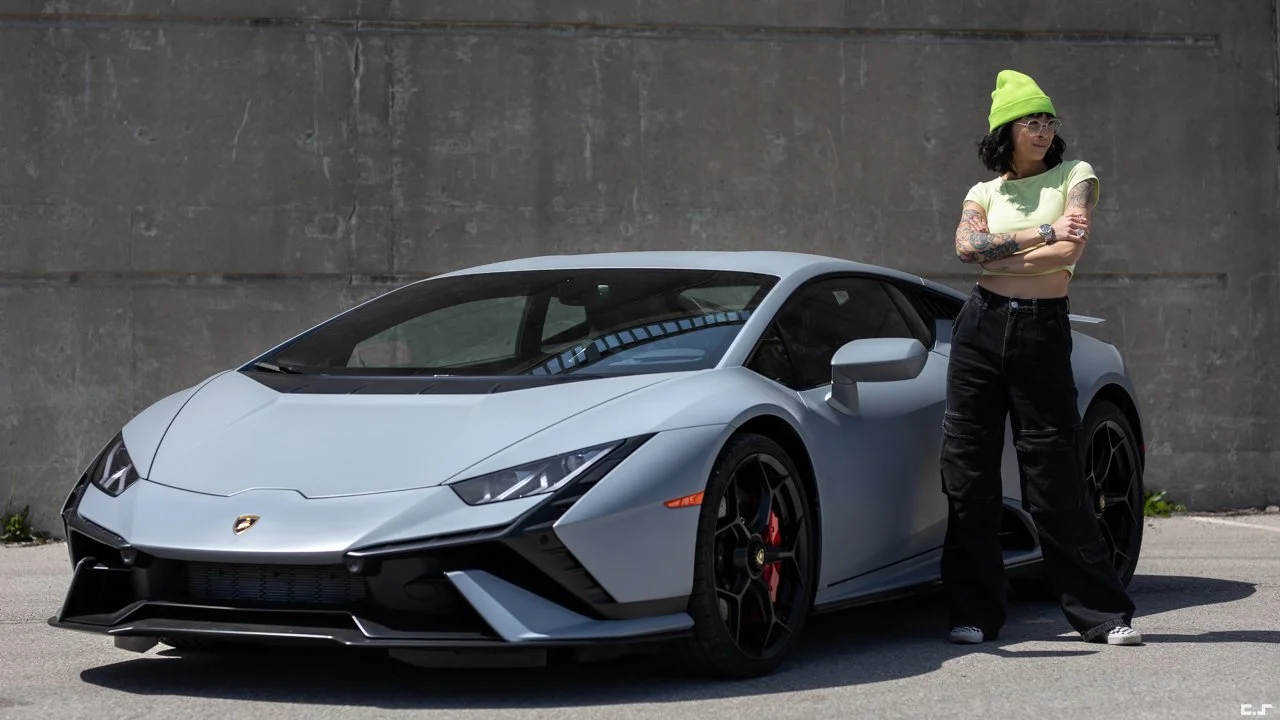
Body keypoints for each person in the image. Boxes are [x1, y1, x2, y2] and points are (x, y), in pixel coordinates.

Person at [939, 69, 1141, 646]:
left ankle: (1101, 615)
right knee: (968, 471)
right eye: (1031, 121)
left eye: (1049, 121)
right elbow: (966, 248)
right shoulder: (982, 193)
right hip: (980, 327)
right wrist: (1042, 234)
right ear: (1005, 131)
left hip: (1041, 328)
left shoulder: (1076, 176)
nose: (1043, 130)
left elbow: (1069, 247)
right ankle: (974, 611)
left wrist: (1003, 255)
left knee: (1054, 472)